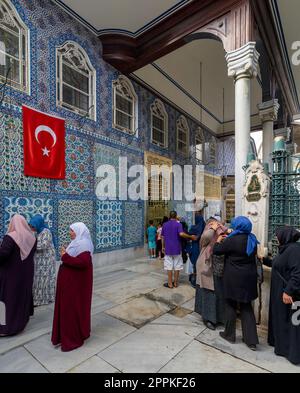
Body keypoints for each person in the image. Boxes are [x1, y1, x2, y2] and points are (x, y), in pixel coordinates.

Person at [213, 216, 259, 351]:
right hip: (249, 278)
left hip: (233, 278)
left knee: (231, 305)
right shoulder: (252, 239)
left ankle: (229, 335)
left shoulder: (232, 239)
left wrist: (218, 241)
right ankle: (251, 341)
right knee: (246, 307)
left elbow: (217, 251)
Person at [52, 222, 93, 352]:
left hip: (74, 286)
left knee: (71, 310)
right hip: (70, 283)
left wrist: (65, 256)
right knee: (67, 309)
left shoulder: (84, 244)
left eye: (72, 231)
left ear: (79, 231)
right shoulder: (77, 243)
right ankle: (64, 336)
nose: (70, 233)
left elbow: (83, 263)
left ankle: (72, 339)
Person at [266, 226, 300, 365]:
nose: (276, 239)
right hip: (280, 293)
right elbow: (278, 264)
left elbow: (298, 273)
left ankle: (292, 354)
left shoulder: (294, 250)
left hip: (290, 295)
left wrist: (288, 291)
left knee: (292, 323)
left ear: (285, 236)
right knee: (282, 319)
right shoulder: (286, 249)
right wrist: (264, 260)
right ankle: (282, 347)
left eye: (278, 236)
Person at [0, 214, 36, 336]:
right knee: (21, 296)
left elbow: (3, 255)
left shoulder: (10, 237)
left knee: (7, 299)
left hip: (11, 275)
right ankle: (21, 322)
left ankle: (6, 328)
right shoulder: (31, 237)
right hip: (26, 273)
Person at [195, 214, 228, 330]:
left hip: (218, 264)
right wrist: (212, 228)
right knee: (208, 291)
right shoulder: (207, 235)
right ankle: (208, 318)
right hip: (206, 265)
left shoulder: (221, 232)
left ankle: (218, 317)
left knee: (218, 291)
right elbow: (205, 238)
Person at [161, 211, 196, 289]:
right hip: (177, 248)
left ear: (169, 216)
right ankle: (176, 283)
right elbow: (181, 234)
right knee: (177, 266)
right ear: (176, 216)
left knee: (169, 266)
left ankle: (170, 283)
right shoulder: (178, 224)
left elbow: (162, 237)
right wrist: (190, 237)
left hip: (168, 249)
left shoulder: (165, 224)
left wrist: (163, 247)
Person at [29, 214, 56, 306]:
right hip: (39, 261)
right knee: (38, 280)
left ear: (38, 224)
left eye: (33, 226)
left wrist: (28, 244)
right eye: (31, 226)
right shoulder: (38, 231)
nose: (32, 228)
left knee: (44, 279)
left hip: (46, 261)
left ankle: (43, 299)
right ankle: (37, 299)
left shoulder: (46, 232)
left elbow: (42, 246)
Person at [187, 212, 206, 288]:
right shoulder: (204, 227)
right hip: (202, 248)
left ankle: (195, 280)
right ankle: (199, 280)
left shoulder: (193, 227)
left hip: (195, 247)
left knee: (195, 264)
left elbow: (189, 236)